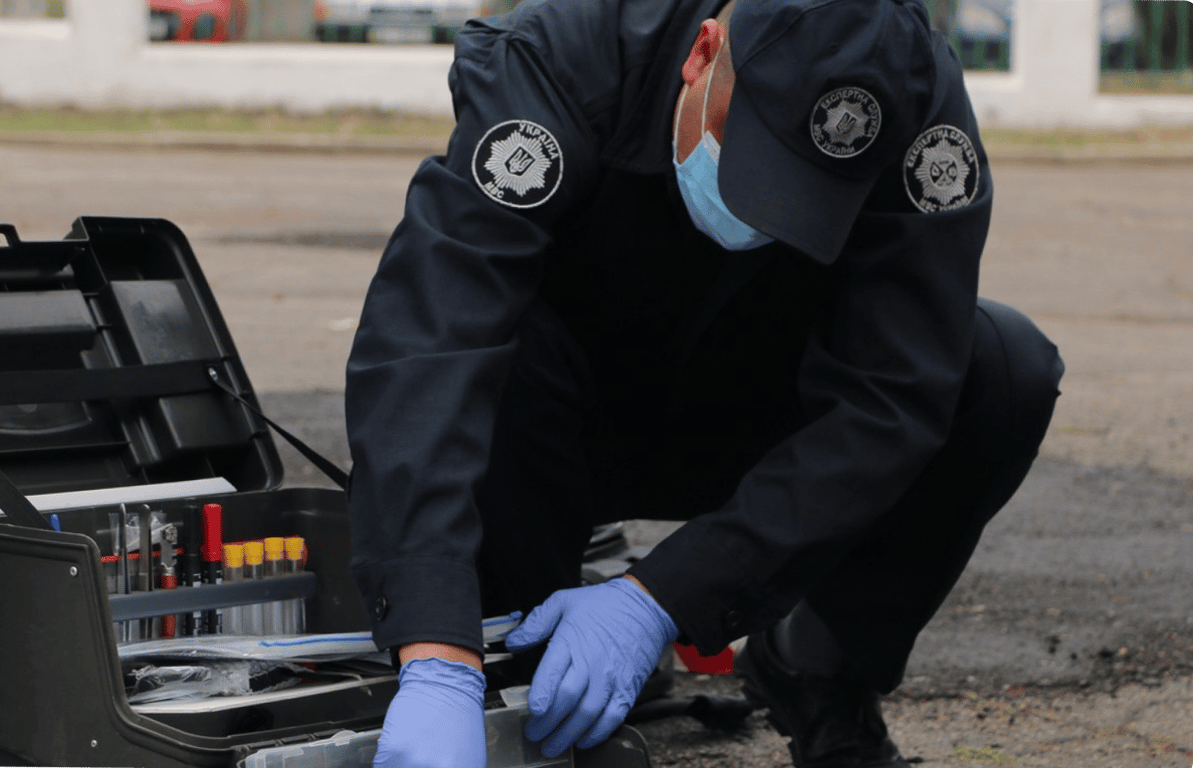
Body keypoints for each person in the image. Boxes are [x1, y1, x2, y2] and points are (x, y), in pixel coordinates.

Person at [344, 0, 1064, 764]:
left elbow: (895, 392)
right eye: (754, 159)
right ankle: (513, 668)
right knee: (492, 358)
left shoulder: (913, 99)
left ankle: (817, 669)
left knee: (1002, 370)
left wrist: (661, 599)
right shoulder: (559, 59)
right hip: (559, 425)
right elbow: (434, 336)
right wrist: (435, 648)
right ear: (702, 54)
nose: (762, 216)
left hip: (766, 418)